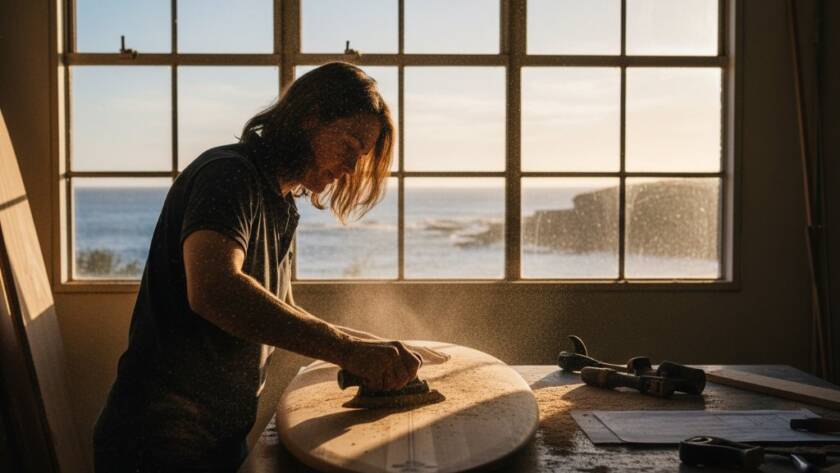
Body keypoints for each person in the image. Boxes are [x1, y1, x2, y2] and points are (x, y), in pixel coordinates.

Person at [93, 62, 448, 473]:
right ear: (310, 117)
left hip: (217, 435)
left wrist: (376, 347)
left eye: (360, 156)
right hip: (157, 439)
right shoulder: (228, 175)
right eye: (349, 145)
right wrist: (349, 351)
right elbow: (214, 289)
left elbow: (284, 308)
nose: (351, 167)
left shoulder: (280, 201)